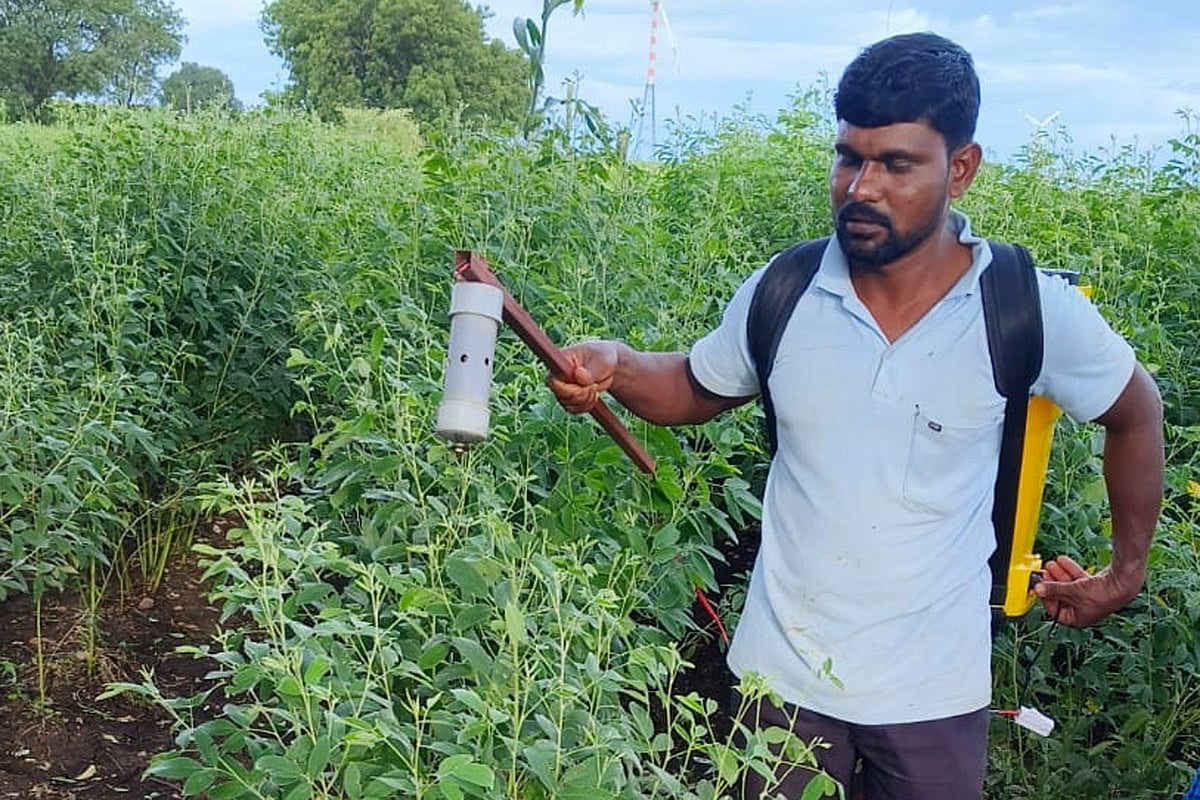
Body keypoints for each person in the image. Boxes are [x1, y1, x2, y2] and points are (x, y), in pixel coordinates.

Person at [546, 31, 1164, 800]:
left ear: (960, 169)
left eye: (896, 164)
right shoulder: (788, 288)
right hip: (779, 688)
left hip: (935, 697)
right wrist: (618, 363)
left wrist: (1125, 573)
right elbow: (697, 386)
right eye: (848, 157)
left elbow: (1136, 412)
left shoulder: (1024, 306)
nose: (860, 187)